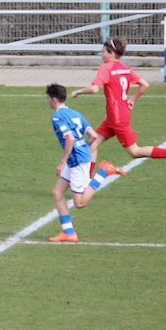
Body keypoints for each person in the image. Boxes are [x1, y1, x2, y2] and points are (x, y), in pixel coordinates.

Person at [70, 37, 166, 171]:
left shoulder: (105, 68)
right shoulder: (125, 69)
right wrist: (132, 100)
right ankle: (86, 181)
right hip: (115, 117)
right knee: (90, 146)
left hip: (117, 118)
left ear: (111, 53)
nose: (101, 54)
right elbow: (145, 84)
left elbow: (94, 88)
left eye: (103, 52)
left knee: (134, 152)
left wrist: (78, 92)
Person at [45, 83, 126, 242]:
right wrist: (83, 147)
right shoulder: (76, 113)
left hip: (76, 161)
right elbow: (94, 135)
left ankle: (103, 172)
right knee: (57, 193)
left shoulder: (57, 117)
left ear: (54, 99)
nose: (47, 101)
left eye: (47, 98)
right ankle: (69, 233)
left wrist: (62, 163)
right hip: (79, 156)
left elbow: (70, 138)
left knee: (80, 202)